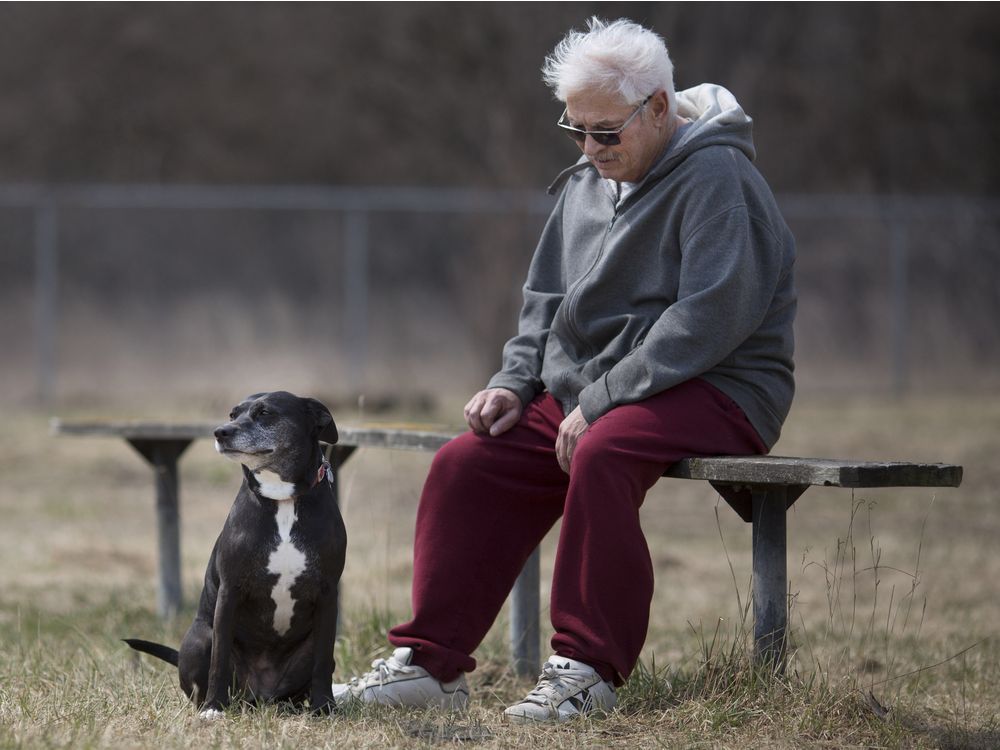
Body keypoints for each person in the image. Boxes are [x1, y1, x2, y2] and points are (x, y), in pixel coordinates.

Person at [333, 16, 796, 723]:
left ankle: (588, 670)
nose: (588, 148)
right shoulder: (589, 177)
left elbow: (708, 320)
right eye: (575, 130)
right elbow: (546, 298)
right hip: (600, 387)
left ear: (660, 108)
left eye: (605, 131)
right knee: (469, 462)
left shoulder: (718, 175)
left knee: (604, 451)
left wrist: (605, 398)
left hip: (722, 384)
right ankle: (431, 663)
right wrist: (514, 381)